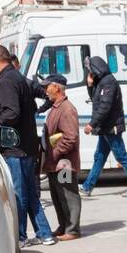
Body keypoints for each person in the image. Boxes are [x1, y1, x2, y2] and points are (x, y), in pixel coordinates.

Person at [0, 43, 56, 246]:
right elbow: (44, 94)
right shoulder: (18, 77)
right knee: (30, 192)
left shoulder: (7, 80)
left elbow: (11, 112)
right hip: (26, 145)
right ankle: (45, 233)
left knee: (19, 194)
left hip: (15, 147)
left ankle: (21, 237)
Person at [79, 56, 127, 197]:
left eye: (91, 71)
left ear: (97, 69)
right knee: (99, 157)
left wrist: (91, 124)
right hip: (105, 128)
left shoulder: (108, 83)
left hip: (111, 127)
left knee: (121, 157)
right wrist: (89, 85)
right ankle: (87, 187)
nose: (90, 73)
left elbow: (104, 107)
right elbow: (95, 99)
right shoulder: (101, 82)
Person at [41, 74, 81, 240]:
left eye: (47, 87)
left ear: (56, 87)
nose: (45, 91)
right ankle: (64, 225)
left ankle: (72, 229)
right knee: (58, 196)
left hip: (64, 163)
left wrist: (55, 153)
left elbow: (70, 137)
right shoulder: (56, 107)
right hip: (55, 163)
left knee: (68, 196)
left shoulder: (66, 109)